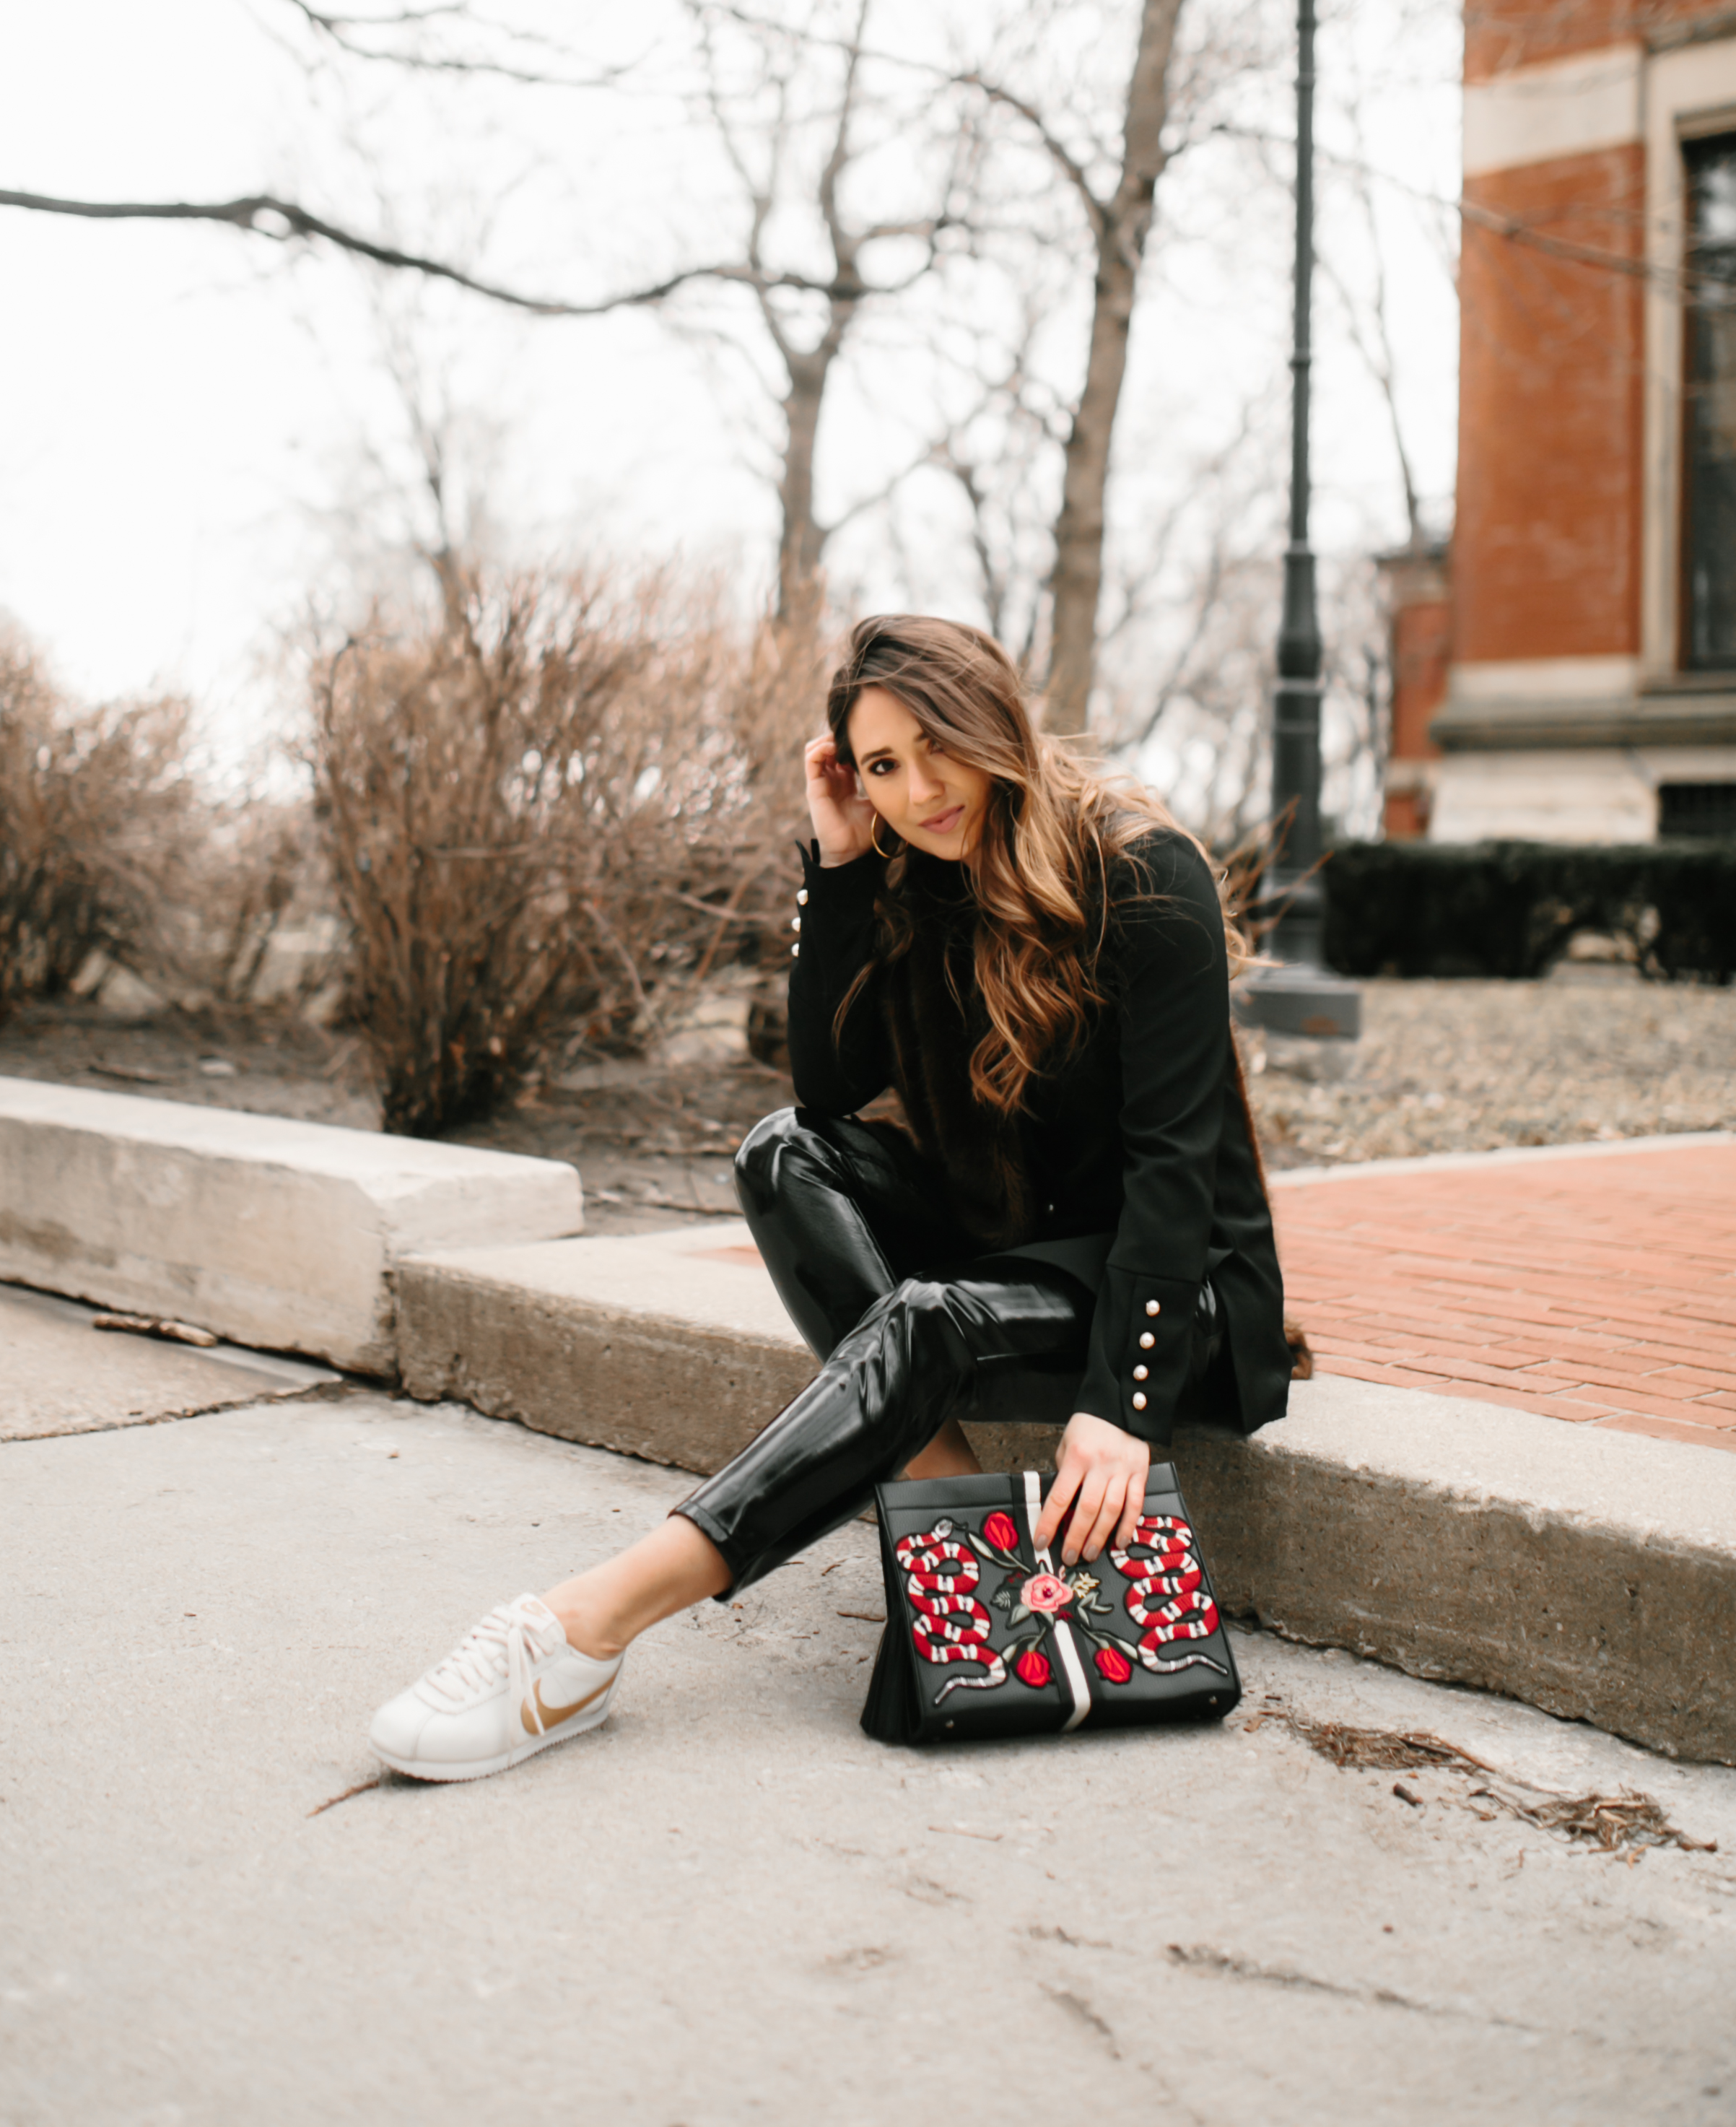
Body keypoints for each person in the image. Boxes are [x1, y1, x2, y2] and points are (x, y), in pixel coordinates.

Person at [367, 613, 1296, 1782]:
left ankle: (583, 1630)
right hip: (1018, 1241)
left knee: (921, 1323)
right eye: (881, 768)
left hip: (1177, 1291)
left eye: (930, 747)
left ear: (990, 720)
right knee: (781, 1153)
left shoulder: (1144, 872)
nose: (918, 791)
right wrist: (843, 862)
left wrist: (1124, 1405)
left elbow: (1175, 1164)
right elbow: (828, 1087)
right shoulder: (921, 879)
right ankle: (955, 1516)